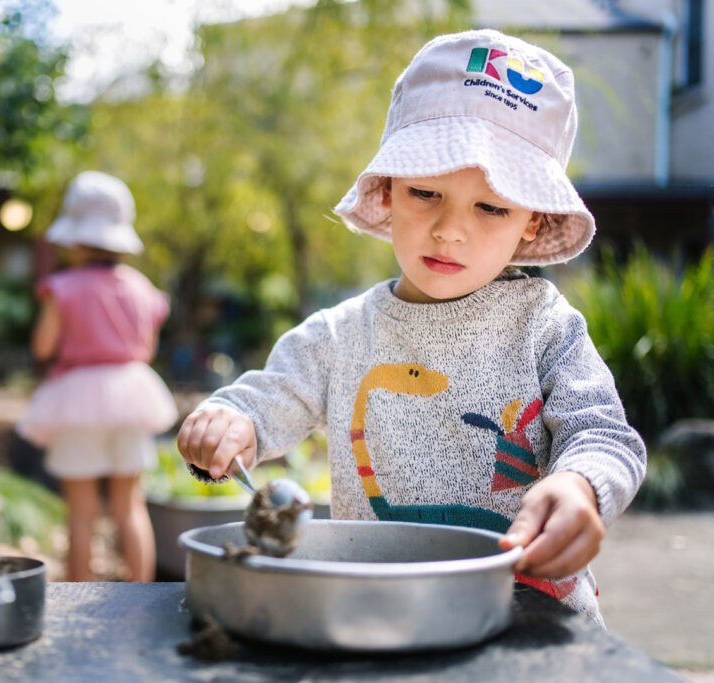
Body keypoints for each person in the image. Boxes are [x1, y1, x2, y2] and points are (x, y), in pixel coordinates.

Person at [177, 29, 646, 625]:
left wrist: (580, 486)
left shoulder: (545, 326)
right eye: (425, 192)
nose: (450, 230)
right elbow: (269, 398)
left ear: (533, 221)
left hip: (530, 617)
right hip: (379, 616)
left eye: (491, 207)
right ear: (389, 191)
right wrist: (231, 422)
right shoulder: (339, 336)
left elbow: (604, 434)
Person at [16, 170, 177, 582]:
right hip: (132, 395)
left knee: (81, 511)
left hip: (77, 399)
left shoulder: (63, 287)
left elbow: (42, 346)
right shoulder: (142, 287)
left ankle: (79, 594)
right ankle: (142, 591)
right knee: (130, 505)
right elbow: (148, 348)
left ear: (76, 239)